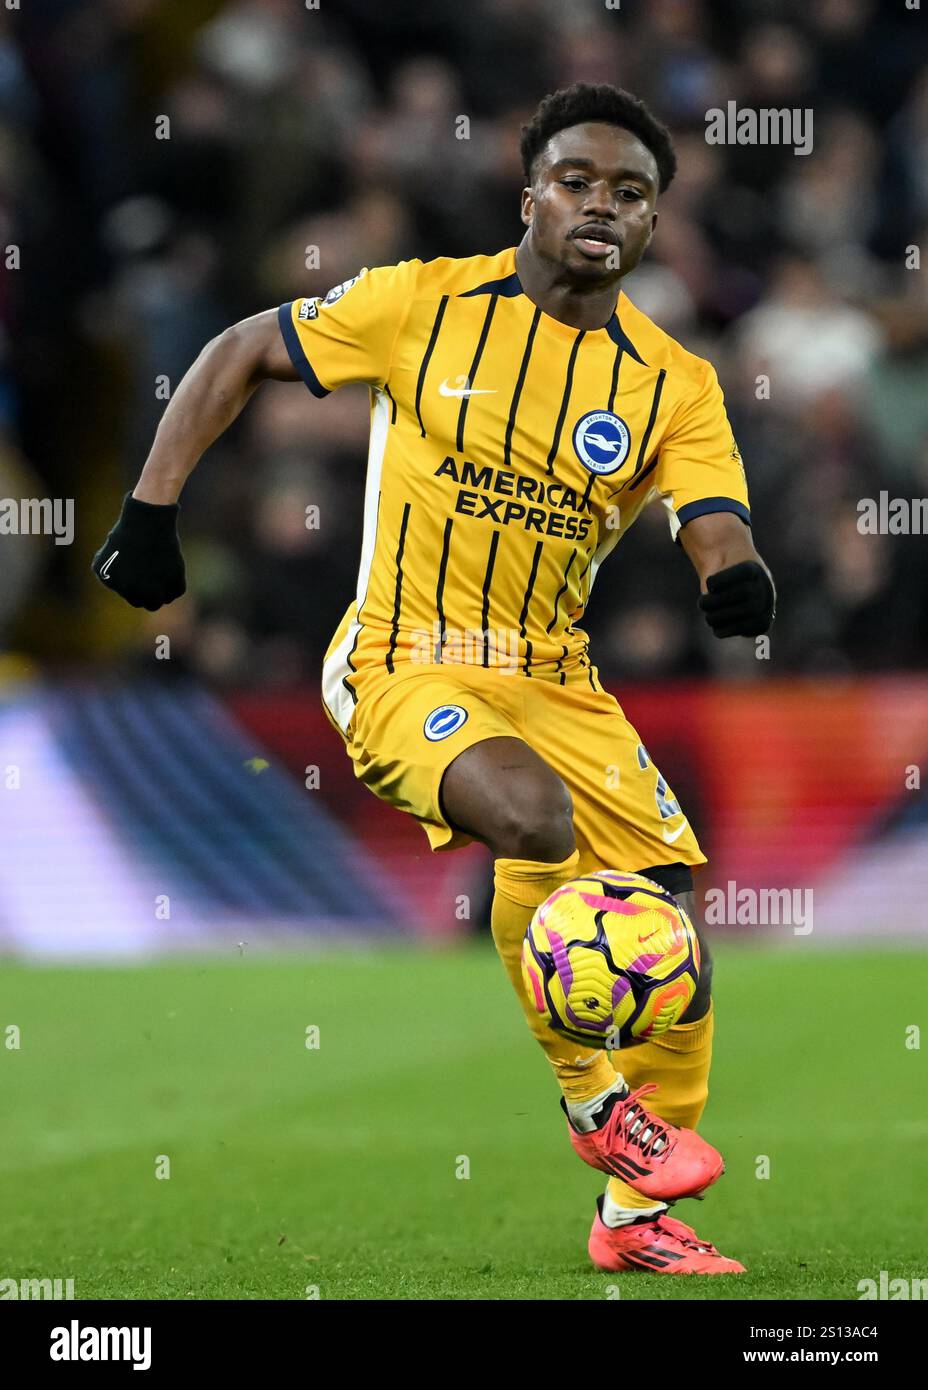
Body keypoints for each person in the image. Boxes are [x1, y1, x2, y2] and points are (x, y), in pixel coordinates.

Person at [92, 82, 775, 1276]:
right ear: (530, 197)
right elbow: (243, 345)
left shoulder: (674, 380)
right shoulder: (422, 301)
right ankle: (590, 1107)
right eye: (577, 181)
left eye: (630, 193)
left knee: (667, 944)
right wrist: (151, 512)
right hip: (404, 655)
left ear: (655, 225)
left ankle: (633, 1224)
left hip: (559, 678)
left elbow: (712, 512)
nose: (600, 207)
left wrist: (734, 573)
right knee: (534, 817)